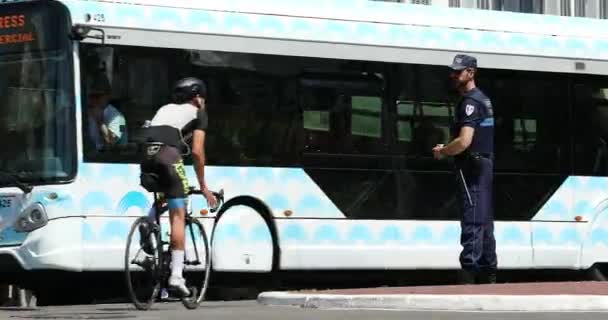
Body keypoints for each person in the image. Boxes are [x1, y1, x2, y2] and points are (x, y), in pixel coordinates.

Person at [138, 77, 217, 295]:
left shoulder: (165, 108)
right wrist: (203, 186)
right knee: (178, 214)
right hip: (168, 155)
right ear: (198, 98)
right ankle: (176, 276)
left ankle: (149, 222)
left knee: (168, 192)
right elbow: (198, 152)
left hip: (146, 155)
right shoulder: (198, 113)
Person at [432, 54, 497, 284]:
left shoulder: (470, 102)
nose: (454, 75)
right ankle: (488, 270)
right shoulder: (483, 99)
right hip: (483, 164)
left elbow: (464, 141)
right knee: (484, 219)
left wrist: (444, 151)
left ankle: (469, 270)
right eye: (453, 71)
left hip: (473, 166)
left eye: (459, 71)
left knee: (473, 218)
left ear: (471, 72)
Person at [86, 75, 127, 151]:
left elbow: (111, 141)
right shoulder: (85, 112)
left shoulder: (118, 117)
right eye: (92, 96)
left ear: (108, 96)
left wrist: (100, 121)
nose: (94, 100)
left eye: (98, 96)